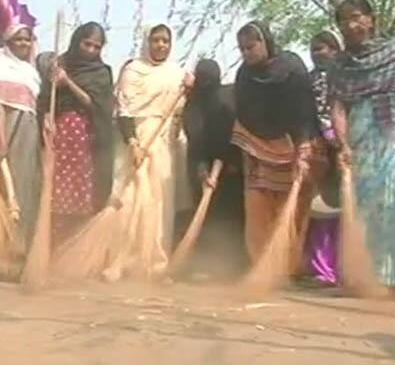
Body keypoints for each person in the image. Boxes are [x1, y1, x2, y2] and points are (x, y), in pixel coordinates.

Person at [328, 0, 395, 293]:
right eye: (344, 20)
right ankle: (364, 278)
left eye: (357, 17)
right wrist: (343, 144)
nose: (351, 24)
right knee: (364, 208)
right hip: (361, 140)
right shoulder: (340, 65)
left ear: (371, 19)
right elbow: (337, 107)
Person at [232, 20, 326, 274]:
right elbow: (243, 114)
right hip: (257, 148)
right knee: (257, 207)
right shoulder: (244, 75)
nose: (247, 53)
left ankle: (288, 266)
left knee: (293, 208)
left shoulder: (291, 67)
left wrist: (303, 145)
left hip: (294, 145)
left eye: (251, 46)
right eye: (242, 49)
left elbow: (304, 109)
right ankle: (261, 265)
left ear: (266, 42)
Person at [102, 23, 192, 282]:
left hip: (163, 143)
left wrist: (190, 87)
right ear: (147, 42)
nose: (161, 45)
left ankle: (154, 264)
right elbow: (124, 111)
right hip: (134, 141)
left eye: (165, 41)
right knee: (128, 201)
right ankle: (118, 262)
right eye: (156, 40)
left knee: (158, 202)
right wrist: (132, 142)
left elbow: (180, 113)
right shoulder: (132, 71)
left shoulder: (176, 74)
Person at [46, 22, 114, 242]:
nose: (91, 50)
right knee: (53, 188)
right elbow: (45, 99)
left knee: (78, 190)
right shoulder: (60, 63)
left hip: (85, 138)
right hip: (58, 135)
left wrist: (68, 83)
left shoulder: (101, 73)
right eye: (87, 44)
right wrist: (47, 117)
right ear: (77, 41)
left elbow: (95, 105)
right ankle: (48, 243)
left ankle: (72, 243)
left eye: (97, 47)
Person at [182, 58, 245, 279]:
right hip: (201, 168)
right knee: (205, 215)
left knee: (230, 215)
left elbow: (236, 131)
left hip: (231, 167)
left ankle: (235, 264)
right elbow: (195, 139)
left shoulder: (229, 97)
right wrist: (202, 171)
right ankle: (204, 262)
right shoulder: (192, 106)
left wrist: (228, 163)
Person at [0, 23, 42, 251]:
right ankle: (2, 247)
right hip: (11, 129)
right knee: (8, 186)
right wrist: (0, 141)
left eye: (27, 39)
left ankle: (21, 248)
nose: (23, 44)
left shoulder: (30, 71)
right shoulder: (0, 69)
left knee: (27, 185)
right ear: (9, 42)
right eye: (18, 39)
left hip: (29, 128)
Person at [304, 31, 343, 286]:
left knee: (342, 208)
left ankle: (341, 266)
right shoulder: (308, 80)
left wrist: (339, 135)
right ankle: (321, 267)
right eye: (313, 50)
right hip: (317, 146)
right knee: (317, 210)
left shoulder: (345, 75)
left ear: (334, 49)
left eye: (322, 48)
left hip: (343, 146)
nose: (317, 54)